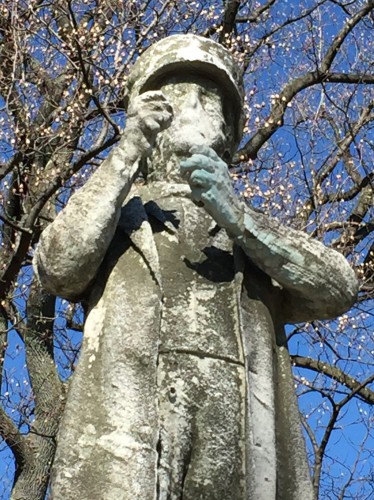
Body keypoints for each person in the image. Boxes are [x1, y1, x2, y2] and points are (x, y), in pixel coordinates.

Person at [34, 35, 358, 499]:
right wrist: (126, 153)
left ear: (228, 130)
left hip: (240, 430)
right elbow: (59, 266)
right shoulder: (116, 210)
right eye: (177, 94)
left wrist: (240, 218)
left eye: (210, 100)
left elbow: (337, 288)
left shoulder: (249, 231)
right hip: (129, 428)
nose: (193, 108)